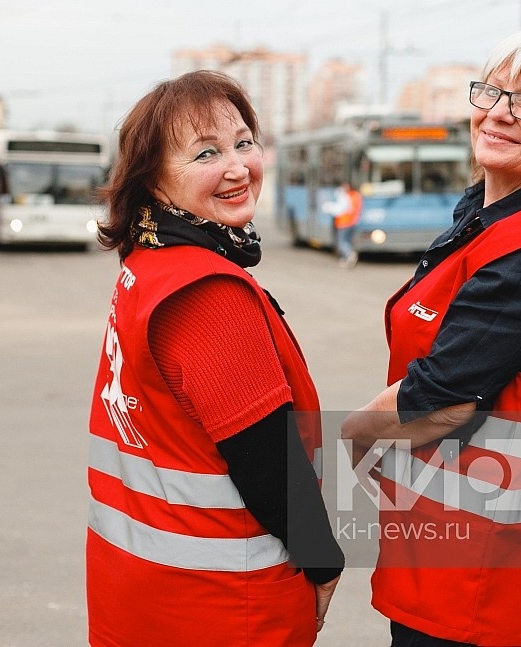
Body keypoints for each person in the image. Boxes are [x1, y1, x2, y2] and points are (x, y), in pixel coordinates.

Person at [342, 28, 521, 647]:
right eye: (492, 91)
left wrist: (354, 434)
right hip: (455, 554)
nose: (498, 112)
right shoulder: (487, 220)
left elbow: (444, 397)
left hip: (486, 581)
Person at [87, 70, 343, 646]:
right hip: (223, 602)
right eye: (206, 153)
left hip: (142, 588)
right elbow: (266, 460)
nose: (237, 168)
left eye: (244, 142)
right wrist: (322, 562)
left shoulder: (145, 267)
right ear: (152, 181)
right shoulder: (206, 293)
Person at [326, 180, 363, 267]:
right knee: (347, 241)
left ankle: (349, 254)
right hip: (351, 222)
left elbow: (341, 209)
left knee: (341, 241)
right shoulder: (356, 195)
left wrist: (329, 208)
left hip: (344, 222)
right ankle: (346, 258)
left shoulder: (347, 196)